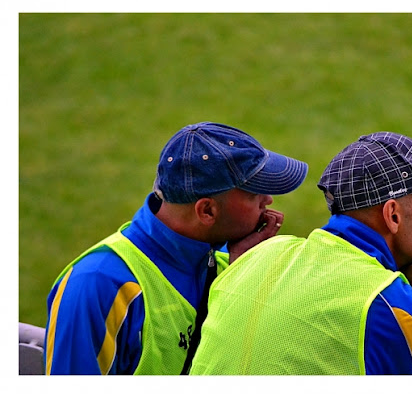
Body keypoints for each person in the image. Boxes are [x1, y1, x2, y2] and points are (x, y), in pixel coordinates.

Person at [190, 131, 412, 375]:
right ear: (392, 215)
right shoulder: (392, 308)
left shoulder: (258, 256)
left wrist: (405, 282)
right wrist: (410, 290)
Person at [43, 121, 308, 375]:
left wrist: (242, 272)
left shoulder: (226, 261)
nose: (269, 200)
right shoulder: (98, 285)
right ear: (206, 210)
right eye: (254, 194)